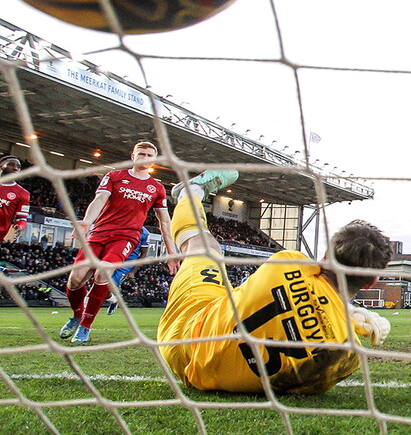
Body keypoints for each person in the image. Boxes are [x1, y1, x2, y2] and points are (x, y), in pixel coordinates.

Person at [157, 169, 393, 394]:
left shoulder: (289, 261)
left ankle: (191, 192)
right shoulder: (345, 356)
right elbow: (307, 384)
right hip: (202, 376)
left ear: (324, 256)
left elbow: (311, 288)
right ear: (372, 282)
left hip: (186, 331)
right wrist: (348, 320)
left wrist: (347, 312)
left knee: (203, 247)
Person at [59, 141, 177, 344]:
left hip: (126, 237)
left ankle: (85, 326)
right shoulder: (114, 176)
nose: (145, 157)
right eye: (141, 154)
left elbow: (164, 222)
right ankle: (77, 315)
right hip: (98, 234)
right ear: (133, 156)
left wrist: (171, 252)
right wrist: (87, 222)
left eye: (150, 155)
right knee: (75, 279)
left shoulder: (157, 188)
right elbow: (99, 200)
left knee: (103, 271)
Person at [104, 226, 150, 316]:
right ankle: (114, 299)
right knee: (100, 284)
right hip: (114, 257)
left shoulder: (145, 233)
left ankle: (114, 299)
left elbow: (143, 254)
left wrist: (133, 271)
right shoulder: (122, 225)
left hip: (127, 264)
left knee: (107, 287)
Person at [0, 155, 29, 242]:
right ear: (2, 166)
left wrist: (19, 226)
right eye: (11, 165)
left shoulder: (23, 193)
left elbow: (22, 218)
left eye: (18, 167)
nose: (15, 168)